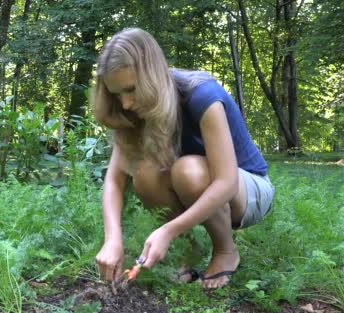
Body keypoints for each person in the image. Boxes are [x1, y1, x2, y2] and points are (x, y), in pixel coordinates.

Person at [93, 28, 275, 289]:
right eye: (116, 94)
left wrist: (168, 230)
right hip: (202, 186)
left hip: (248, 190)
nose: (125, 104)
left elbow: (226, 182)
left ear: (151, 75)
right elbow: (114, 181)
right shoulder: (132, 110)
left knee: (187, 170)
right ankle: (189, 251)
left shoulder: (201, 95)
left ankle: (225, 250)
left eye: (131, 89)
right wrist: (112, 239)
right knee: (144, 173)